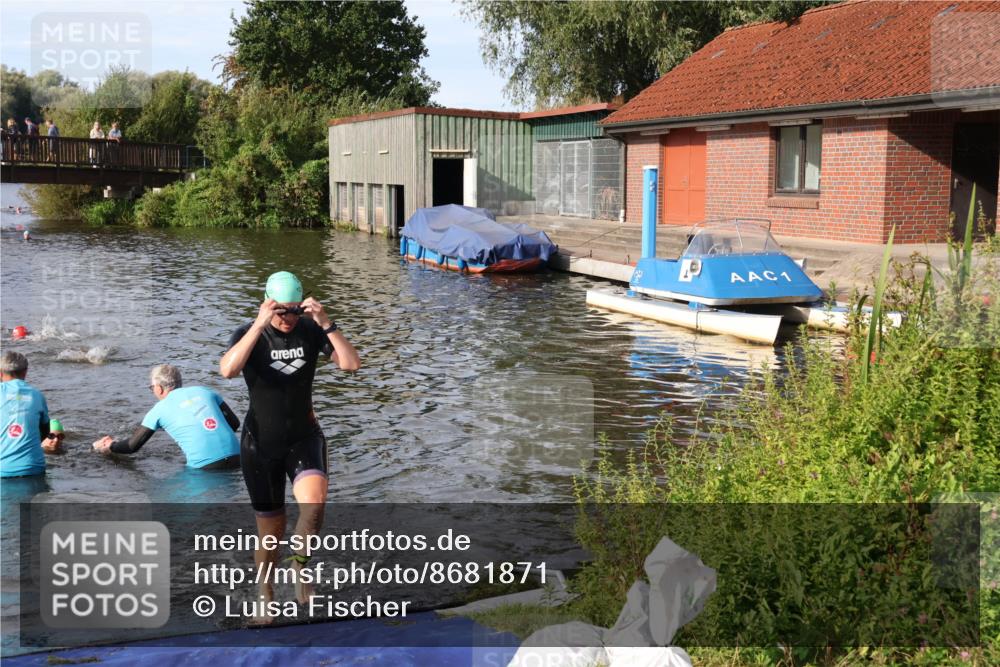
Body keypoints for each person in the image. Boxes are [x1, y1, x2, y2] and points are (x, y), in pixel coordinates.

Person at [220, 271, 360, 613]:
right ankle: (265, 592)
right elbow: (227, 370)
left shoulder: (311, 330)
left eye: (294, 310)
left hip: (303, 437)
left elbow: (351, 364)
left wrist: (325, 321)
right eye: (281, 311)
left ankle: (300, 568)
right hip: (260, 444)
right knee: (271, 533)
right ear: (267, 304)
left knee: (313, 506)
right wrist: (257, 326)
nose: (288, 318)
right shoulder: (249, 334)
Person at [93, 364, 241, 469]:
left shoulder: (158, 410)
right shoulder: (206, 391)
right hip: (239, 459)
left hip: (204, 468)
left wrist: (110, 446)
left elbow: (132, 446)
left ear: (159, 388)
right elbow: (234, 423)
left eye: (151, 388)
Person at [1, 352, 51, 478]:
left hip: (3, 471)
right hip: (34, 469)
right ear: (25, 372)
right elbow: (45, 432)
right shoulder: (37, 395)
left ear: (1, 373)